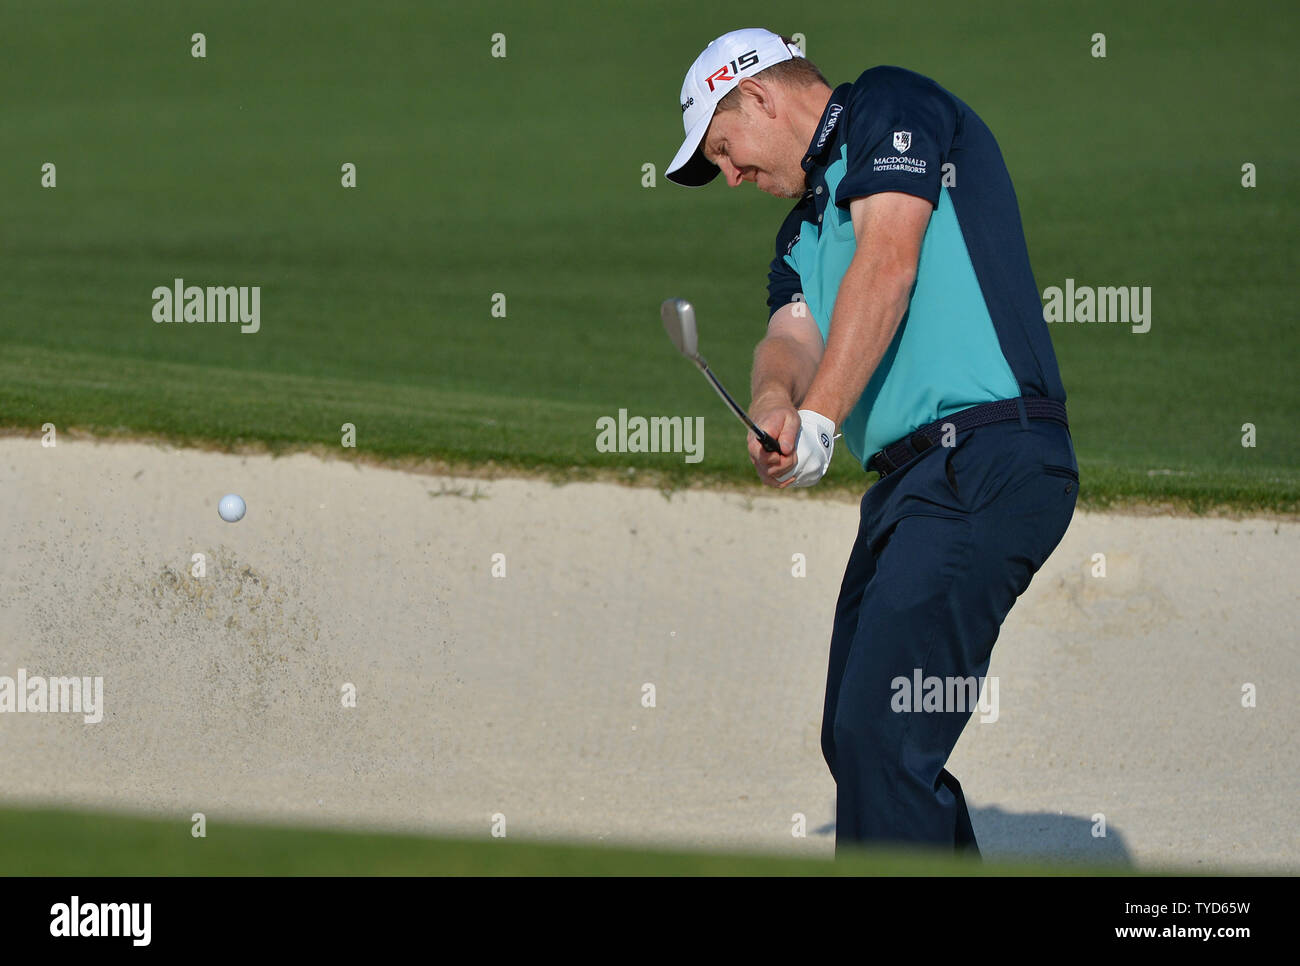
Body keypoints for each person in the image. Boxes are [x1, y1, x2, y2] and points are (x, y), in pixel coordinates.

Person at [666, 28, 1079, 856]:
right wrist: (779, 400)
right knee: (857, 736)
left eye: (726, 149)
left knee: (883, 740)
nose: (734, 176)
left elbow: (889, 262)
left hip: (988, 460)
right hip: (913, 490)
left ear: (758, 96)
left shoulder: (887, 104)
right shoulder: (801, 231)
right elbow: (790, 336)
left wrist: (820, 419)